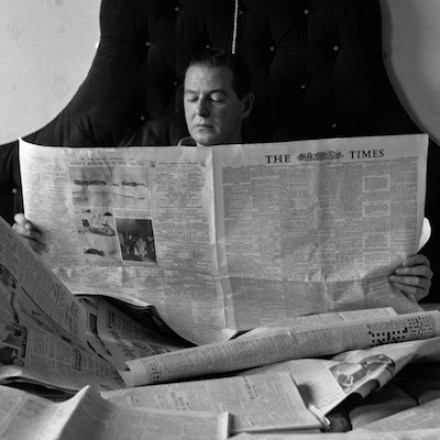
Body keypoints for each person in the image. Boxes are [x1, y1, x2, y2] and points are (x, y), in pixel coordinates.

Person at [12, 50, 433, 302]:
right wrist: (33, 248)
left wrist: (406, 279)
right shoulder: (143, 171)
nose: (200, 111)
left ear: (245, 105)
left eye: (215, 97)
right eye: (191, 98)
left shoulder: (291, 173)